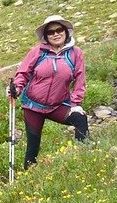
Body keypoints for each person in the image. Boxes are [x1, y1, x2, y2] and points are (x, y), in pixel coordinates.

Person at [11, 14, 88, 169]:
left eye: (59, 30)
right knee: (32, 147)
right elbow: (23, 73)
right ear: (46, 36)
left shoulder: (75, 53)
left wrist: (76, 104)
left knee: (80, 118)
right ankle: (28, 178)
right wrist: (17, 88)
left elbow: (80, 79)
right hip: (33, 106)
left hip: (58, 106)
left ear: (66, 32)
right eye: (51, 32)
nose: (56, 34)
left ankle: (85, 158)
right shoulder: (37, 52)